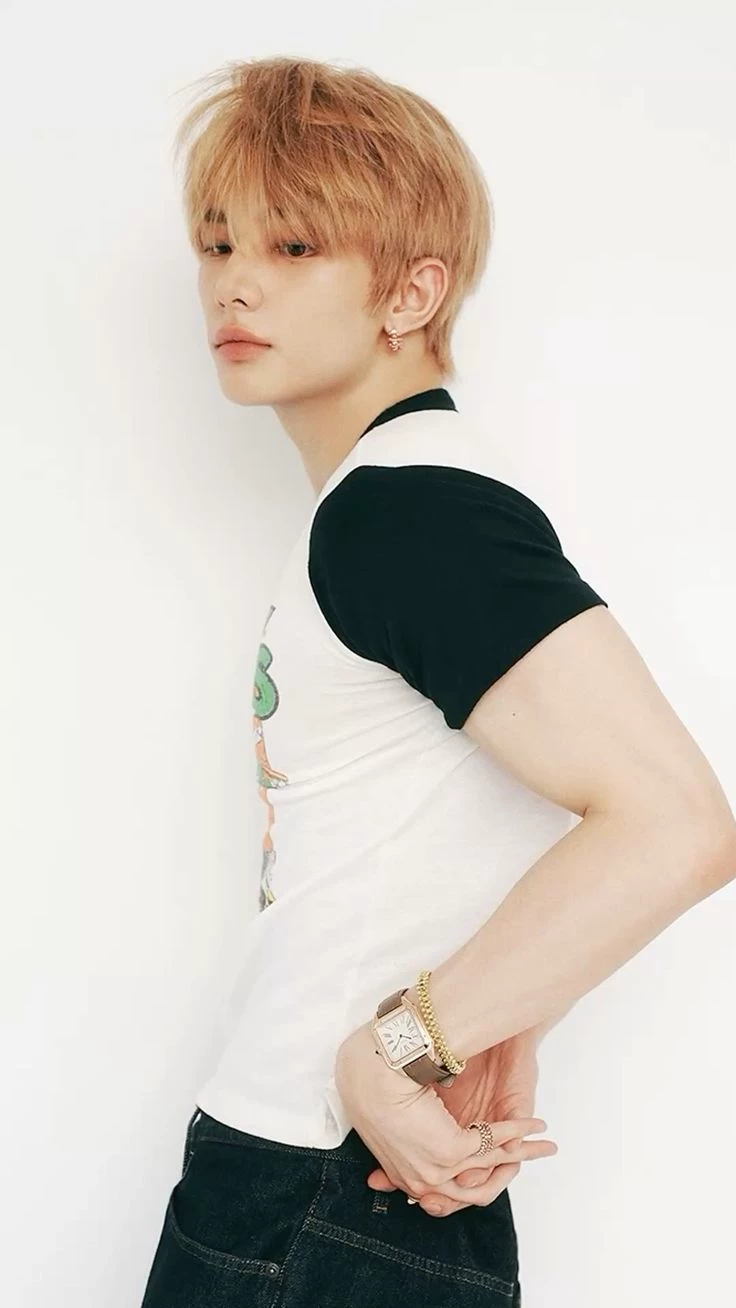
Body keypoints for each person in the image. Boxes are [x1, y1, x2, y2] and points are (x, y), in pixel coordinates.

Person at [140, 56, 736, 1307]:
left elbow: (675, 826)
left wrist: (393, 1051)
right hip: (352, 1178)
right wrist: (492, 1019)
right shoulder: (402, 500)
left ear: (413, 291)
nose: (235, 281)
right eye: (218, 241)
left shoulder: (403, 514)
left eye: (295, 246)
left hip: (308, 1187)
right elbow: (463, 824)